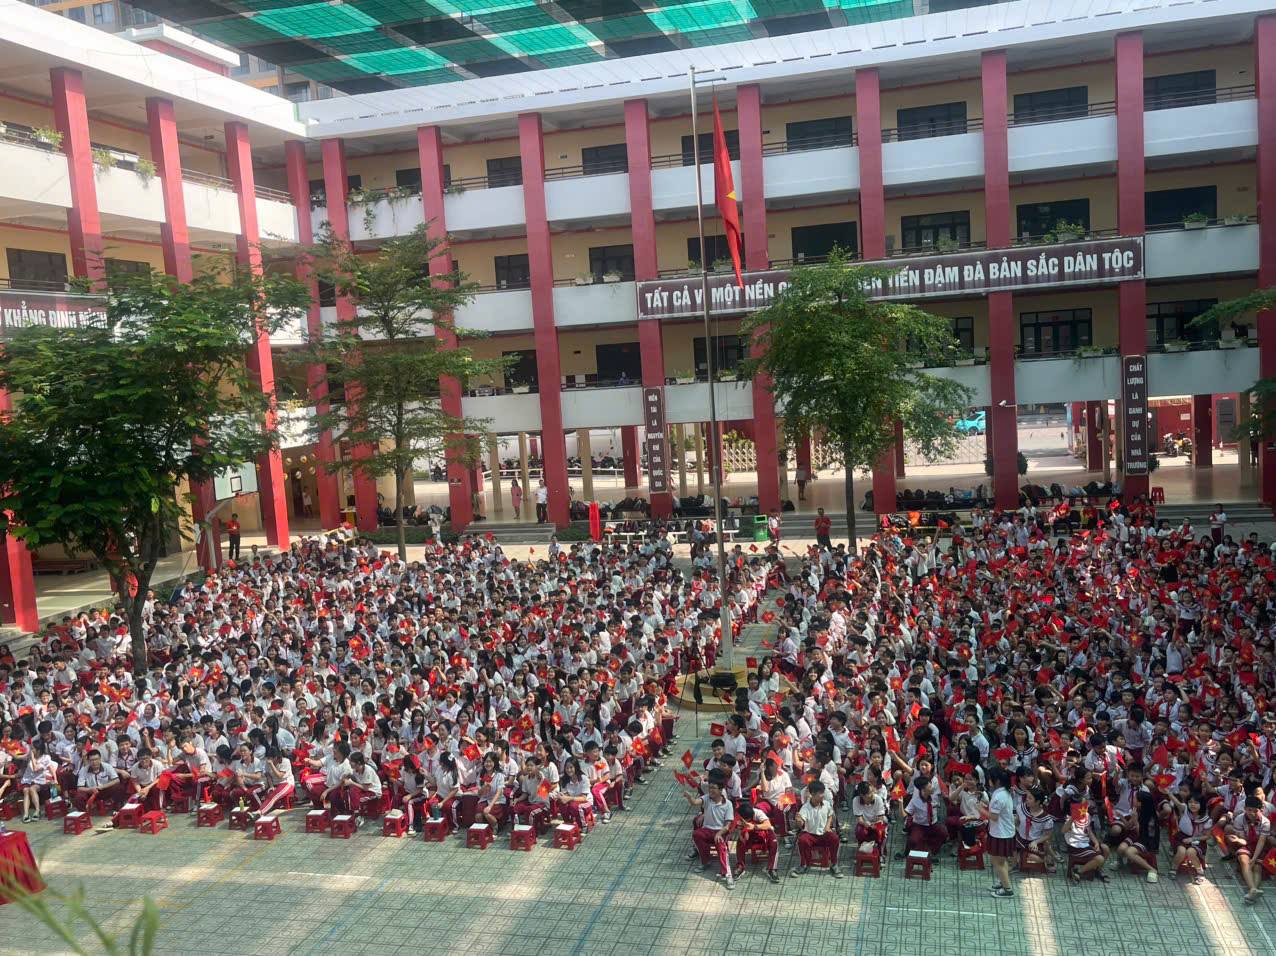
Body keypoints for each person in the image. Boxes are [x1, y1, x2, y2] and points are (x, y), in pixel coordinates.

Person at [684, 772, 735, 889]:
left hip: (720, 832)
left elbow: (727, 825)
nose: (710, 790)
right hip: (707, 830)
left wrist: (719, 833)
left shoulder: (728, 804)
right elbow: (695, 802)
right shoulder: (707, 798)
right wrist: (689, 797)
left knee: (722, 848)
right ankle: (705, 861)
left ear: (720, 790)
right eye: (710, 787)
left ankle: (727, 874)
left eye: (713, 788)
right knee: (696, 835)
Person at [791, 780, 842, 878]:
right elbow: (801, 824)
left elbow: (830, 815)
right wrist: (798, 820)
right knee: (802, 840)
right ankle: (803, 864)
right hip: (810, 835)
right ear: (813, 794)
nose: (823, 795)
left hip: (824, 834)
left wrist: (827, 826)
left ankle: (834, 865)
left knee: (835, 838)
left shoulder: (826, 804)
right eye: (821, 793)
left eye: (823, 792)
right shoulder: (805, 808)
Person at [986, 766, 1016, 898]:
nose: (988, 781)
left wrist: (980, 809)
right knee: (998, 861)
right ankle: (1003, 882)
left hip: (1001, 834)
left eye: (990, 779)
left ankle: (1007, 889)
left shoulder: (999, 796)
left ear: (997, 781)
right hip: (1002, 831)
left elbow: (994, 817)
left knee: (998, 862)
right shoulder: (1003, 792)